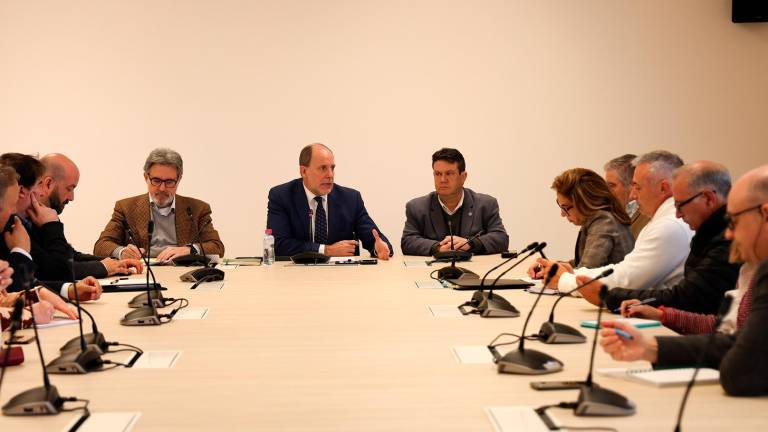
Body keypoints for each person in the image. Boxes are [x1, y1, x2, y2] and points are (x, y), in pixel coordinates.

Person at [599, 164, 768, 396]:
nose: (729, 233)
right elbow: (725, 330)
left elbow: (740, 371)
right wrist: (659, 327)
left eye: (735, 221)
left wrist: (653, 347)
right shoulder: (752, 266)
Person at [578, 161, 739, 315]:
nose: (678, 213)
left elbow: (689, 299)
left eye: (680, 204)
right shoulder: (708, 233)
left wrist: (609, 296)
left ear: (709, 199)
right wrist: (662, 316)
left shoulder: (724, 239)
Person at [539, 150, 694, 292]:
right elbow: (623, 269)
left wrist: (566, 280)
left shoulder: (669, 226)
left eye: (637, 187)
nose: (632, 196)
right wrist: (572, 272)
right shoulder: (661, 222)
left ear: (663, 188)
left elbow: (627, 280)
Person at [94, 148, 225, 260]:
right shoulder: (126, 208)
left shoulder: (197, 209)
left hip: (182, 271)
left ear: (179, 179)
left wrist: (190, 250)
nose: (162, 188)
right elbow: (101, 245)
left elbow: (217, 246)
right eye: (156, 180)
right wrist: (122, 252)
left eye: (169, 182)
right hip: (142, 273)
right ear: (146, 177)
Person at [267, 143, 393, 258]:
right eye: (323, 168)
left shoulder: (351, 199)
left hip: (341, 277)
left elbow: (376, 240)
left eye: (332, 168)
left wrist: (379, 248)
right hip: (295, 277)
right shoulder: (282, 196)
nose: (330, 175)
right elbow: (278, 245)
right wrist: (326, 250)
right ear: (303, 171)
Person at [0, 164, 98, 308]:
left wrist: (69, 290)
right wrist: (51, 227)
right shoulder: (12, 227)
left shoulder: (29, 221)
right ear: (21, 191)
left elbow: (32, 283)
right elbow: (19, 287)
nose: (42, 192)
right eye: (40, 184)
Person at [37, 153, 143, 278]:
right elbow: (57, 269)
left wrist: (115, 263)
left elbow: (70, 255)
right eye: (69, 188)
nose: (72, 198)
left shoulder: (46, 213)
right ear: (48, 183)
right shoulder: (24, 220)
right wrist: (104, 267)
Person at [401, 148, 508, 256]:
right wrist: (437, 247)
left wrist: (471, 244)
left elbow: (501, 238)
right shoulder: (417, 207)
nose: (442, 179)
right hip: (432, 271)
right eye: (438, 174)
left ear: (463, 177)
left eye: (449, 173)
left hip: (476, 270)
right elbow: (407, 241)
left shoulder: (485, 205)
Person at [527, 168, 633, 277]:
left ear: (584, 202)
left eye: (566, 207)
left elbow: (586, 271)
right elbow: (579, 263)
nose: (562, 214)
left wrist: (555, 271)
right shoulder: (598, 218)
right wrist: (550, 266)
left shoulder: (604, 221)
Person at [604, 154, 650, 238]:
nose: (607, 192)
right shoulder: (610, 217)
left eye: (611, 186)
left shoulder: (649, 219)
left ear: (632, 184)